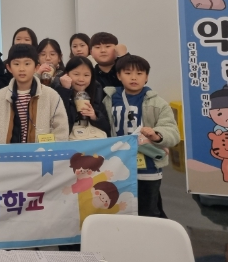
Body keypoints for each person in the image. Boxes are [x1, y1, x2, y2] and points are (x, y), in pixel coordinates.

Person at [102, 55, 180, 217]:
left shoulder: (158, 103)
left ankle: (152, 233)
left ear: (147, 77)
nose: (133, 77)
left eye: (139, 73)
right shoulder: (109, 100)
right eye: (128, 73)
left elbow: (172, 132)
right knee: (119, 207)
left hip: (148, 166)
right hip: (118, 165)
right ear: (118, 76)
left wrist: (157, 135)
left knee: (148, 210)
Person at [0, 43, 68, 144]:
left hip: (41, 153)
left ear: (36, 67)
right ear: (9, 67)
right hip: (7, 154)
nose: (22, 69)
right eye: (16, 64)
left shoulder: (51, 96)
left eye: (27, 64)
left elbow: (61, 131)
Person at [55, 56, 110, 136]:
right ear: (66, 74)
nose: (81, 79)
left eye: (86, 75)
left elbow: (107, 129)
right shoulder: (56, 91)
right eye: (76, 74)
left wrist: (95, 117)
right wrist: (65, 90)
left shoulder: (96, 93)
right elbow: (60, 120)